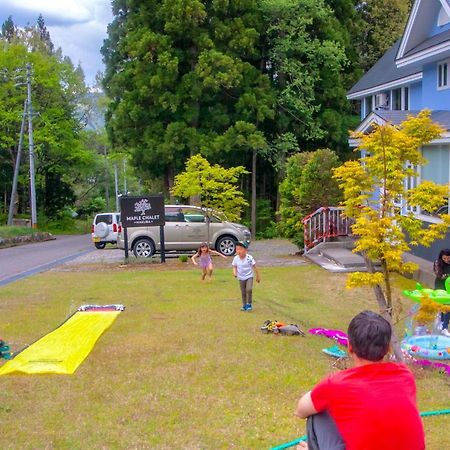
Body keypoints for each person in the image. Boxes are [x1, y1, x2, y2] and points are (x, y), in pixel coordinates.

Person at [295, 311, 425, 450]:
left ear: (350, 347)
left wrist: (321, 394)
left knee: (318, 413)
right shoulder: (405, 375)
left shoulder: (336, 384)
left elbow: (300, 411)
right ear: (388, 348)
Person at [232, 241, 260, 311]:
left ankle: (249, 304)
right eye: (237, 249)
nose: (238, 251)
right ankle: (244, 305)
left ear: (245, 250)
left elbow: (254, 267)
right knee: (243, 291)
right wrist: (235, 273)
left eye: (240, 249)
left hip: (249, 276)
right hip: (241, 278)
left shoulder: (249, 258)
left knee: (249, 289)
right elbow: (234, 266)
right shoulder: (236, 258)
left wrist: (258, 276)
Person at [433, 248, 450, 337]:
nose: (446, 260)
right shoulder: (437, 262)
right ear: (441, 257)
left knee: (447, 307)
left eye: (448, 258)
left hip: (449, 288)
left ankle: (444, 327)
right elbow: (439, 275)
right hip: (440, 287)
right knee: (444, 307)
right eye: (444, 258)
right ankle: (442, 326)